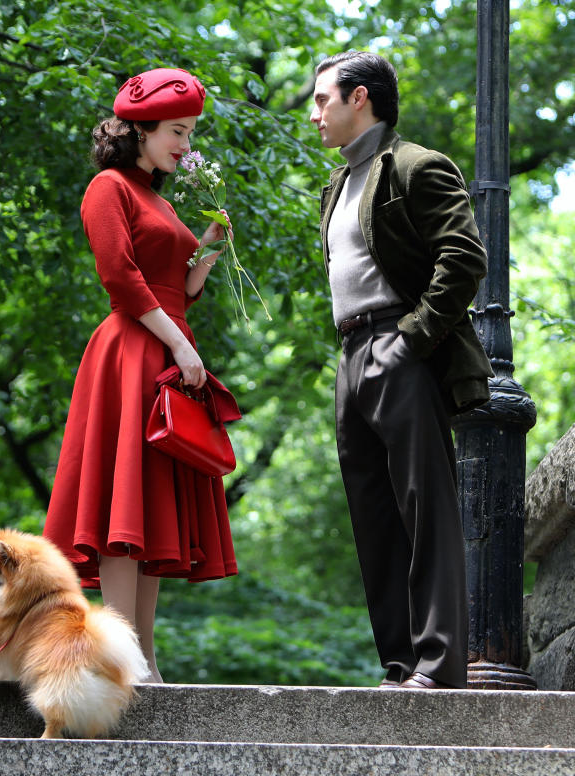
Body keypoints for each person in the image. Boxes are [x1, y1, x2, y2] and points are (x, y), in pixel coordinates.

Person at [43, 67, 238, 683]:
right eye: (177, 131)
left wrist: (208, 244)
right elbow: (122, 280)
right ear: (141, 131)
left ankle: (143, 658)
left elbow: (181, 286)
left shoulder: (159, 198)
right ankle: (117, 656)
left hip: (166, 354)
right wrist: (182, 347)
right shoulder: (109, 187)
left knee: (152, 513)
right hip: (133, 353)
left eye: (190, 132)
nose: (186, 143)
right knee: (122, 509)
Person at [310, 51, 494, 689]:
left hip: (399, 345)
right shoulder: (337, 184)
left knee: (425, 507)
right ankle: (400, 663)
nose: (315, 115)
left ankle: (441, 667)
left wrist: (411, 339)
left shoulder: (417, 165)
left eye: (322, 100)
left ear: (359, 98)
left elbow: (465, 259)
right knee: (374, 514)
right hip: (351, 354)